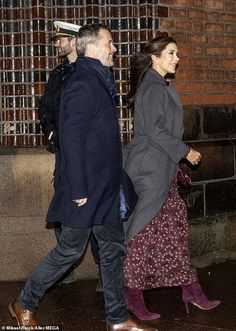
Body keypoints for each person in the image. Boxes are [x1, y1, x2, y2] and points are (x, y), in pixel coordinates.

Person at [8, 23, 158, 331]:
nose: (114, 48)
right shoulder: (81, 83)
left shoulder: (97, 79)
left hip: (105, 187)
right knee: (70, 251)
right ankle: (24, 302)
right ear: (91, 47)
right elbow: (72, 139)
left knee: (113, 248)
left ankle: (117, 319)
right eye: (110, 43)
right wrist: (77, 188)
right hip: (86, 189)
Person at [122, 36, 221, 320]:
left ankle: (191, 289)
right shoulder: (152, 87)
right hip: (149, 172)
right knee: (140, 234)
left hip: (161, 171)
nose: (177, 58)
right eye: (171, 52)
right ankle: (131, 294)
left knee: (173, 234)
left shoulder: (160, 85)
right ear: (154, 57)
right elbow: (154, 132)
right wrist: (185, 151)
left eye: (177, 52)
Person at [38, 20, 101, 285]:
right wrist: (53, 136)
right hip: (65, 155)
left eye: (60, 39)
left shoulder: (89, 72)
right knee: (65, 206)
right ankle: (65, 266)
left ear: (75, 41)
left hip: (90, 156)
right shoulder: (59, 74)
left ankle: (103, 269)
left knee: (98, 210)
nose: (56, 44)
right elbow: (46, 109)